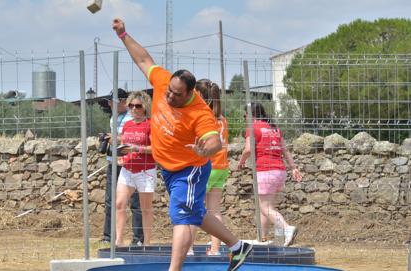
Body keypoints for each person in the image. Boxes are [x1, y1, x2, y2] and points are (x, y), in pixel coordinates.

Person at [112, 18, 252, 271]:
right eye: (169, 92)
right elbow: (143, 60)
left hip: (189, 170)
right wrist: (123, 35)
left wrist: (204, 150)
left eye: (176, 95)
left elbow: (215, 142)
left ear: (190, 94)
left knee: (182, 218)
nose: (168, 96)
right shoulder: (165, 82)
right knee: (196, 214)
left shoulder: (199, 112)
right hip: (168, 167)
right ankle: (237, 246)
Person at [237, 102, 302, 246]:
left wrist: (241, 162)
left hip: (265, 171)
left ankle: (287, 228)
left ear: (250, 115)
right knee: (266, 207)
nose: (244, 118)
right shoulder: (275, 128)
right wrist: (293, 168)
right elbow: (285, 150)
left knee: (265, 208)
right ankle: (263, 238)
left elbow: (248, 150)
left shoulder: (252, 128)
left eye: (244, 115)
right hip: (279, 171)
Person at [101, 88, 144, 245]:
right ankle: (108, 236)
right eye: (109, 101)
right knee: (110, 200)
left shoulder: (132, 117)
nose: (109, 103)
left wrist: (115, 139)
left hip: (131, 163)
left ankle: (138, 239)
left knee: (135, 201)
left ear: (123, 102)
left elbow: (133, 138)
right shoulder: (114, 117)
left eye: (112, 101)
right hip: (114, 161)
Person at [191, 79, 230, 256]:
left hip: (207, 165)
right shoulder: (223, 120)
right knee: (214, 210)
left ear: (200, 95)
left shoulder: (203, 118)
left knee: (192, 208)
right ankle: (215, 249)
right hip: (221, 166)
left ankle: (188, 248)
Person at [115, 91, 156, 246]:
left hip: (145, 171)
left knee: (145, 208)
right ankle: (118, 241)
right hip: (128, 169)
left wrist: (136, 149)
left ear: (145, 107)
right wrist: (122, 155)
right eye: (130, 105)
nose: (133, 109)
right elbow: (125, 144)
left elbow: (155, 149)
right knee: (119, 203)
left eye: (137, 106)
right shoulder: (127, 125)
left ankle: (147, 242)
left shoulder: (151, 124)